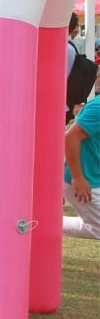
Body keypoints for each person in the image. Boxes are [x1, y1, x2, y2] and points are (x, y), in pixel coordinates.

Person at [65, 73, 100, 241]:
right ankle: (44, 222)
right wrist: (77, 178)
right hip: (85, 180)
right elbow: (70, 138)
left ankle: (45, 222)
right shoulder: (98, 108)